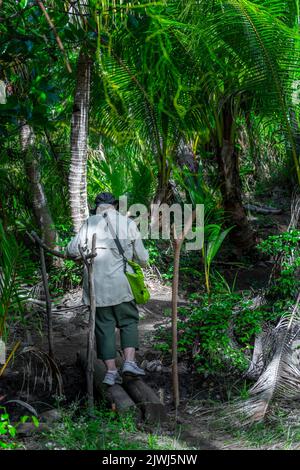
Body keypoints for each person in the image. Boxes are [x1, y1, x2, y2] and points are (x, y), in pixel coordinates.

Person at [67, 192, 149, 385]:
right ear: (114, 206)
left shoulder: (89, 223)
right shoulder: (127, 223)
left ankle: (111, 371)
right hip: (122, 286)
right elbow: (143, 259)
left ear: (96, 206)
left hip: (97, 289)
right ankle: (129, 362)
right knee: (128, 322)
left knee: (104, 328)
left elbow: (71, 251)